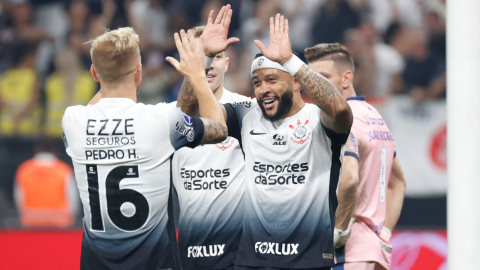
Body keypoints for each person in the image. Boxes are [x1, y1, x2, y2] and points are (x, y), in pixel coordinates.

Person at [177, 14, 353, 270]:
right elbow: (187, 115)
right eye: (257, 83)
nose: (263, 90)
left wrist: (290, 61)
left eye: (272, 80)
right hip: (252, 262)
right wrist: (203, 59)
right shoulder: (247, 115)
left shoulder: (319, 120)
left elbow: (340, 110)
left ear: (295, 82)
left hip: (308, 260)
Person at [62, 27, 227, 270]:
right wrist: (198, 71)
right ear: (139, 71)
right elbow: (220, 128)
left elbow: (97, 103)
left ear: (94, 73)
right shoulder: (160, 119)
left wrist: (109, 68)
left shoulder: (72, 120)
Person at [305, 43, 407, 270]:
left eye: (323, 77)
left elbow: (349, 180)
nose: (314, 86)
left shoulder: (342, 121)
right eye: (310, 79)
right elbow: (398, 182)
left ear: (346, 78)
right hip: (372, 252)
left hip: (346, 254)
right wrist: (383, 232)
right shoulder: (373, 114)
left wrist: (339, 232)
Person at [171, 5, 249, 270]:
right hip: (188, 253)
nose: (209, 64)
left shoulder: (248, 111)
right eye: (201, 57)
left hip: (240, 255)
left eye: (215, 56)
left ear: (228, 62)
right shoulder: (171, 117)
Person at [14, 139, 79, 228]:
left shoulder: (25, 169)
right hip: (60, 221)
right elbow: (72, 198)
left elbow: (19, 197)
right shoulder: (63, 169)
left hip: (31, 220)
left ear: (36, 150)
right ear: (55, 151)